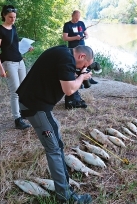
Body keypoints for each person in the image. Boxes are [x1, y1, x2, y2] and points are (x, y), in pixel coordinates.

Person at [16, 45, 94, 204]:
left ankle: (64, 191)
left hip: (33, 101)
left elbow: (61, 76)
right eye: (85, 65)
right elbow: (69, 90)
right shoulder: (67, 59)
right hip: (36, 106)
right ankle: (65, 197)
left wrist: (77, 73)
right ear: (81, 57)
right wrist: (81, 78)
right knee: (54, 149)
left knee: (56, 141)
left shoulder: (63, 52)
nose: (84, 68)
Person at [0, 5, 31, 130]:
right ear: (4, 15)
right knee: (15, 92)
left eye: (14, 17)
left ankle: (23, 112)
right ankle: (17, 119)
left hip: (20, 62)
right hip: (8, 63)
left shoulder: (13, 27)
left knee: (24, 89)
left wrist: (26, 48)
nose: (12, 19)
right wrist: (1, 68)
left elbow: (14, 45)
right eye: (10, 17)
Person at [62, 10, 98, 109]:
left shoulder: (81, 23)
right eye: (75, 17)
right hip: (73, 50)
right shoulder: (67, 25)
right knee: (74, 68)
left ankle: (88, 79)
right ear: (72, 16)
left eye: (78, 17)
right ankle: (77, 83)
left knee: (85, 65)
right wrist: (75, 38)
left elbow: (87, 33)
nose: (77, 19)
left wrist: (85, 36)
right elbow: (65, 38)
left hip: (83, 48)